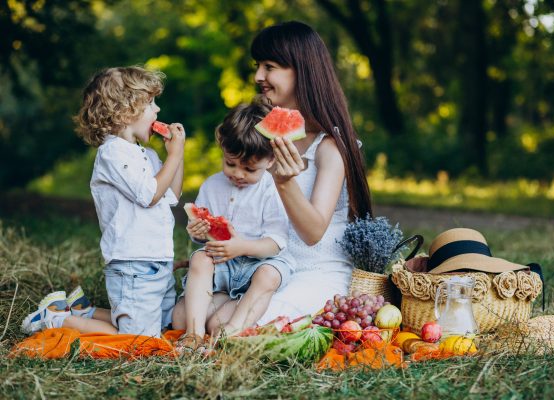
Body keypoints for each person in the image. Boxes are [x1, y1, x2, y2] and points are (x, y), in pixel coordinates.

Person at [210, 20, 373, 326]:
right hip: (267, 268)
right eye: (258, 65)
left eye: (269, 66)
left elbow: (313, 232)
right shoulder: (266, 133)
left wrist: (285, 183)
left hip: (316, 273)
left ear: (301, 70)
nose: (259, 76)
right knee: (191, 315)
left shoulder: (330, 148)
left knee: (221, 326)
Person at [21, 66, 185, 337]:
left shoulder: (146, 154)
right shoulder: (112, 153)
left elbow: (172, 196)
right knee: (138, 338)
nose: (157, 110)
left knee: (160, 324)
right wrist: (175, 157)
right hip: (132, 262)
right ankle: (55, 320)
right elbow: (149, 194)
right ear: (124, 111)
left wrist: (175, 156)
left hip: (157, 260)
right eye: (150, 103)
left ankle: (81, 311)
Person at [171, 98, 294, 350]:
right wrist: (199, 233)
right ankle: (193, 333)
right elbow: (204, 239)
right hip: (221, 266)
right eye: (230, 164)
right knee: (181, 312)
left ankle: (234, 325)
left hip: (258, 263)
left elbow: (276, 243)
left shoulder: (273, 189)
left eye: (249, 169)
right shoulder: (211, 185)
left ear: (270, 160)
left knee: (271, 274)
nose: (238, 173)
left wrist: (243, 247)